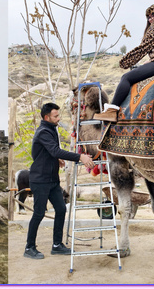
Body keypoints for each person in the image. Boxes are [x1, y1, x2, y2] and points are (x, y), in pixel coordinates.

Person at [24, 103, 95, 260]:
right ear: (46, 117)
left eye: (58, 115)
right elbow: (54, 150)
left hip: (52, 180)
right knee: (39, 213)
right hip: (40, 180)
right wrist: (79, 156)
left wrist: (57, 158)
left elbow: (50, 152)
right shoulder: (43, 131)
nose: (58, 118)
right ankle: (29, 247)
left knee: (61, 209)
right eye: (55, 116)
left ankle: (57, 245)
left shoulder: (50, 129)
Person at [93, 3, 154, 122]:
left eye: (153, 16)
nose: (150, 20)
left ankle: (111, 111)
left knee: (126, 78)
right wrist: (152, 60)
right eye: (148, 17)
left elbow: (142, 49)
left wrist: (124, 62)